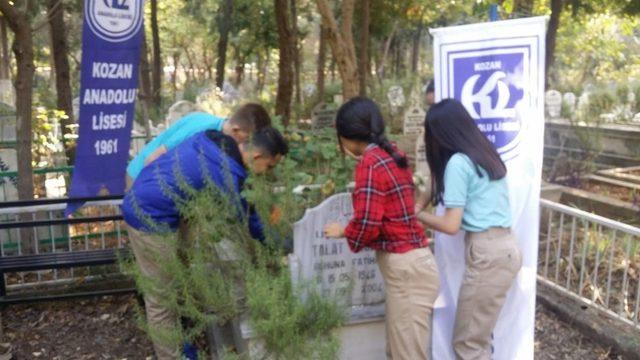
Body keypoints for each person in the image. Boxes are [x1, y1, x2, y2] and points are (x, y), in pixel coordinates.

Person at [121, 126, 288, 359]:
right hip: (148, 216)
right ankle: (171, 355)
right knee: (162, 297)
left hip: (169, 210)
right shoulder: (227, 173)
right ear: (257, 155)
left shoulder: (216, 142)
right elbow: (247, 220)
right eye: (269, 167)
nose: (267, 173)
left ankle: (181, 342)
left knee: (179, 280)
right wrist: (278, 243)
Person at [323, 97, 440, 360]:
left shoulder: (370, 162)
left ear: (347, 136)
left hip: (407, 271)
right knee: (399, 352)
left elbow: (368, 221)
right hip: (414, 265)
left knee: (407, 355)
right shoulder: (392, 153)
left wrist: (344, 231)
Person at [415, 99, 522, 360]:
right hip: (504, 248)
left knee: (468, 344)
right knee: (477, 340)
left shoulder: (458, 164)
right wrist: (420, 200)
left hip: (488, 254)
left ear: (440, 134)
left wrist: (418, 215)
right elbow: (438, 180)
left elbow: (451, 225)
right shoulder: (482, 152)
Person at [126, 103, 272, 186]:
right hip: (141, 177)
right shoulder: (201, 128)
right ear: (236, 130)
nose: (247, 147)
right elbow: (152, 160)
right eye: (247, 140)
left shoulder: (220, 137)